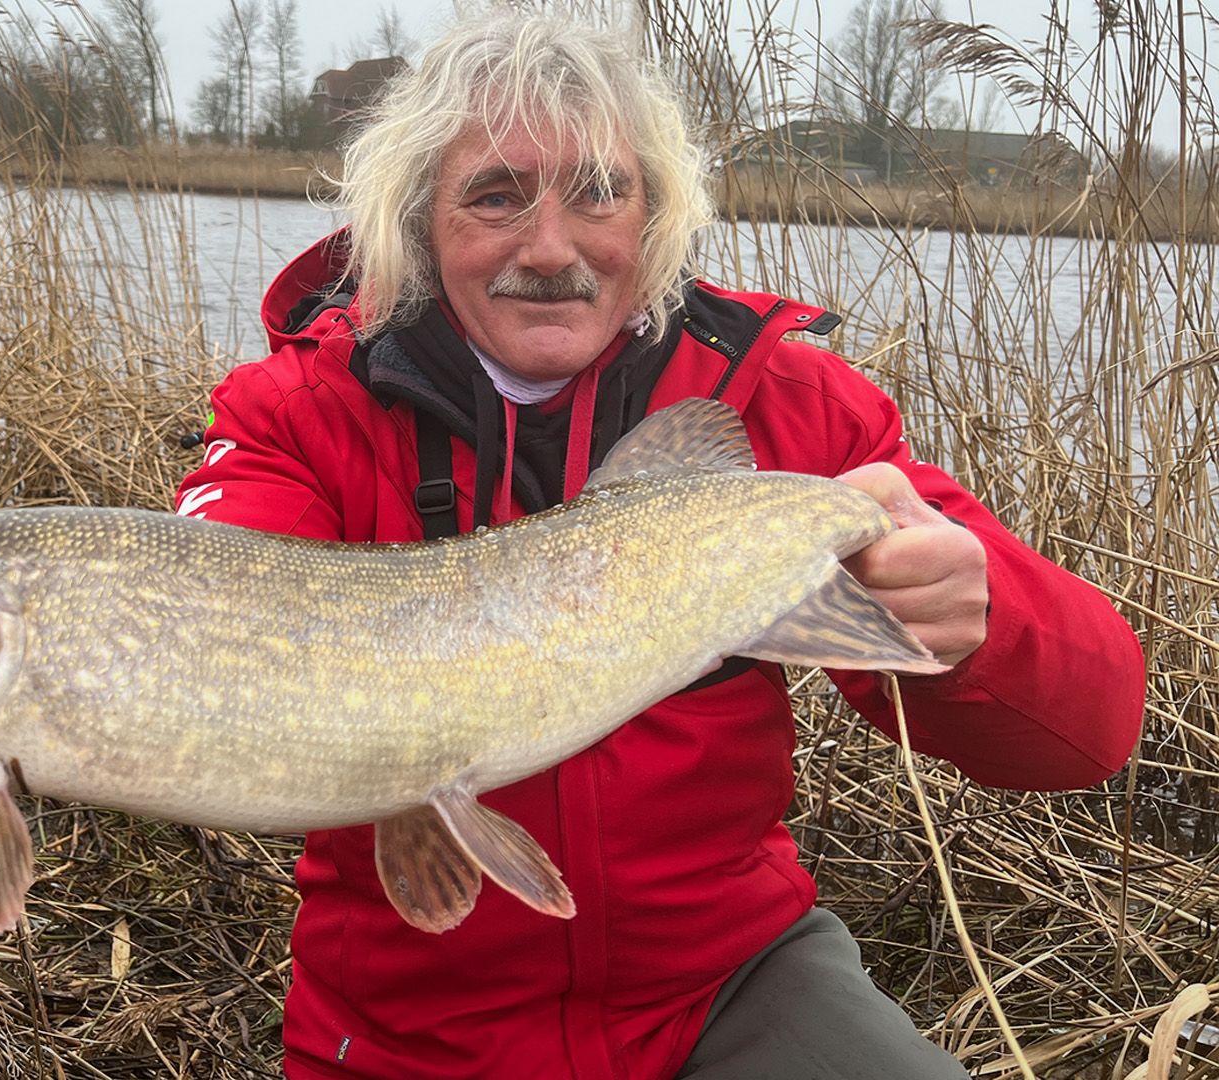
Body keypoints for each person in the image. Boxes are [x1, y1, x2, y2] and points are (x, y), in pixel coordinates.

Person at [173, 11, 1145, 1080]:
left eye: (598, 193)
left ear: (655, 214)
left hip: (727, 985)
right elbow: (210, 630)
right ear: (418, 223)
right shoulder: (296, 415)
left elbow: (1090, 736)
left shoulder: (788, 406)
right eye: (495, 196)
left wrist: (981, 619)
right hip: (416, 1029)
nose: (551, 249)